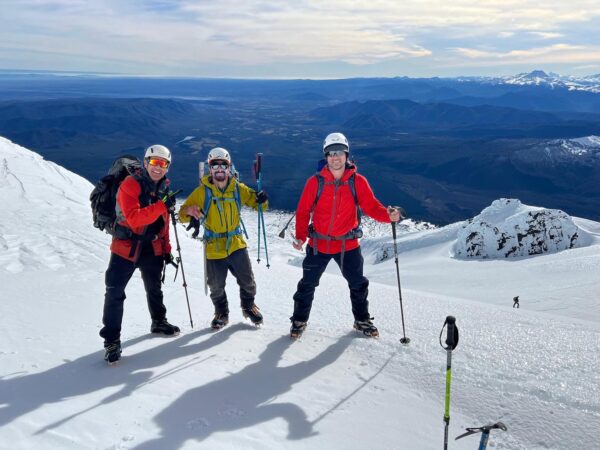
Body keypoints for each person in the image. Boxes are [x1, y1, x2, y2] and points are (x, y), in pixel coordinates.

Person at [290, 132, 403, 339]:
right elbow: (303, 210)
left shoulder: (357, 182)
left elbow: (372, 207)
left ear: (347, 155)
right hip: (319, 244)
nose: (335, 157)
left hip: (347, 244)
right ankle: (299, 320)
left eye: (339, 152)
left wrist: (389, 216)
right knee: (307, 284)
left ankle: (361, 320)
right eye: (331, 153)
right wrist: (301, 236)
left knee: (358, 283)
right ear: (325, 156)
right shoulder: (315, 182)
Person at [100, 144, 181, 364]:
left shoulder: (163, 187)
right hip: (126, 246)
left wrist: (166, 250)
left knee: (154, 287)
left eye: (163, 163)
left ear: (168, 167)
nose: (158, 167)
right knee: (115, 291)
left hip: (152, 247)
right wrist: (163, 207)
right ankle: (112, 341)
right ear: (145, 163)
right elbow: (134, 218)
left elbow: (162, 225)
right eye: (154, 162)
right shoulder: (130, 184)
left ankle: (158, 321)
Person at [179, 147, 268, 330]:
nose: (219, 168)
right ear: (210, 168)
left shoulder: (238, 189)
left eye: (223, 165)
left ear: (229, 167)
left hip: (236, 243)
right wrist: (189, 211)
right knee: (216, 285)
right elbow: (181, 214)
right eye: (215, 165)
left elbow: (259, 206)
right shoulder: (202, 192)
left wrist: (262, 199)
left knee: (247, 281)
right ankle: (221, 312)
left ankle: (248, 307)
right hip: (213, 246)